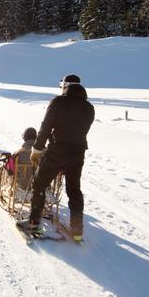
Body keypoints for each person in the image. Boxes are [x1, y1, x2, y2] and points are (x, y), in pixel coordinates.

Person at [18, 74, 95, 241]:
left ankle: (33, 223)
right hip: (78, 154)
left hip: (57, 152)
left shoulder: (58, 102)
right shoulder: (89, 107)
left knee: (39, 184)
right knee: (74, 190)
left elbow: (46, 127)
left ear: (65, 86)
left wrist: (37, 149)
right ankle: (77, 230)